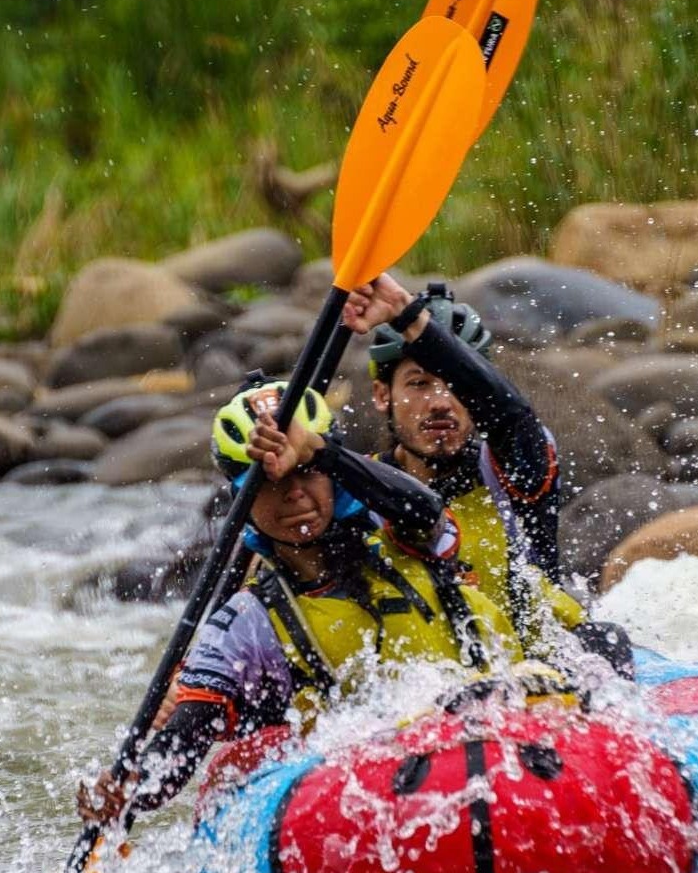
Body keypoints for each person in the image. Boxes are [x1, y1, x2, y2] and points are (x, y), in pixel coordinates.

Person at [76, 377, 571, 828]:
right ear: (241, 500)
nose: (292, 494)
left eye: (306, 472)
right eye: (268, 482)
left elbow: (425, 507)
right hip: (394, 783)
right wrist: (127, 794)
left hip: (513, 721)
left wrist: (316, 449)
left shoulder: (401, 530)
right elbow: (187, 738)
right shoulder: (245, 622)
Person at [345, 273, 632, 676]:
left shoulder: (516, 467)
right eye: (419, 384)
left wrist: (406, 315)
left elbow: (509, 414)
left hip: (538, 679)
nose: (441, 403)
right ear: (381, 395)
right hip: (427, 695)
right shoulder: (357, 491)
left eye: (455, 385)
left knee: (607, 641)